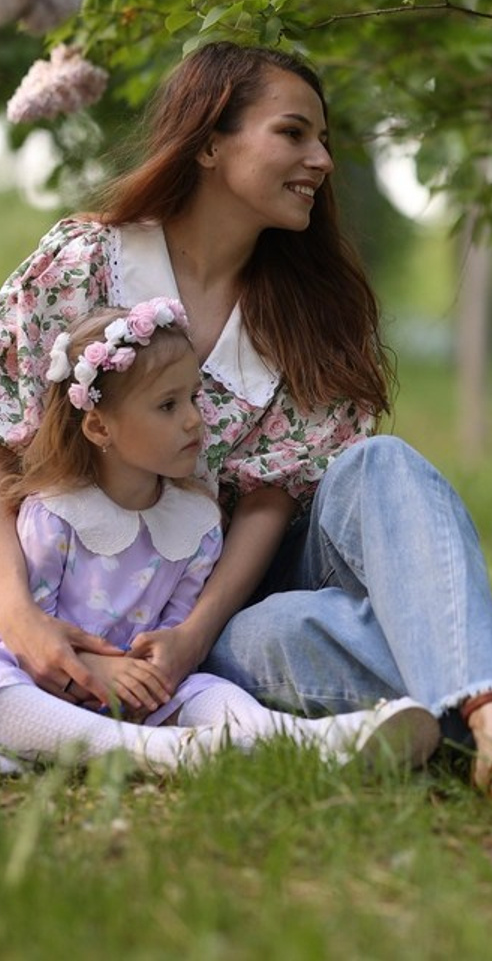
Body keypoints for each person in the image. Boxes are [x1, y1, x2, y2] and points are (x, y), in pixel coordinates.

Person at [0, 41, 492, 800]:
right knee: (298, 638)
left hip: (231, 592)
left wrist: (196, 631)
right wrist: (21, 619)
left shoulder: (308, 309)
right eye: (293, 133)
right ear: (208, 143)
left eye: (325, 139)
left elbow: (272, 499)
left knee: (383, 463)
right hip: (179, 621)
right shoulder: (82, 266)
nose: (323, 161)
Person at [0, 298, 440, 774]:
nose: (193, 419)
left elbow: (175, 625)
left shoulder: (197, 524)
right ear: (99, 425)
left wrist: (156, 667)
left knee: (211, 691)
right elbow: (37, 629)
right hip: (49, 680)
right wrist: (95, 671)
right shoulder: (56, 512)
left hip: (143, 689)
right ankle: (159, 753)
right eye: (168, 405)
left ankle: (313, 740)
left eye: (193, 398)